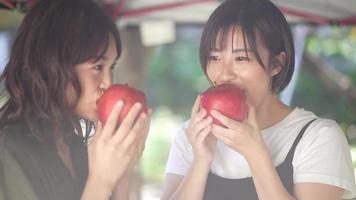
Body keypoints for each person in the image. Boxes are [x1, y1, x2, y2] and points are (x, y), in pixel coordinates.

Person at [161, 0, 356, 199]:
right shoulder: (191, 135)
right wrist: (200, 160)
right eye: (214, 58)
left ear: (276, 64)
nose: (224, 74)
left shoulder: (318, 138)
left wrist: (256, 155)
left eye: (241, 58)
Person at [0, 0, 151, 199]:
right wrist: (100, 181)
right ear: (53, 65)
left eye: (111, 68)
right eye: (98, 67)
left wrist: (122, 172)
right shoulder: (8, 150)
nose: (108, 82)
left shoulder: (73, 143)